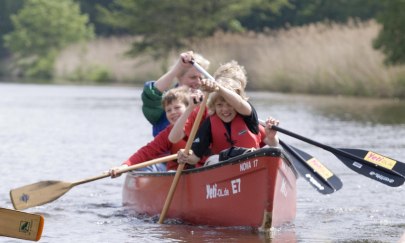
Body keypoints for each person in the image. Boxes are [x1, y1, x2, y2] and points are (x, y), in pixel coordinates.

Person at [176, 77, 280, 167]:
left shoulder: (247, 115)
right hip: (224, 167)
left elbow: (273, 143)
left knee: (271, 151)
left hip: (251, 162)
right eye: (220, 105)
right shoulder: (210, 123)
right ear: (214, 106)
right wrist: (185, 156)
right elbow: (195, 158)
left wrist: (271, 137)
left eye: (229, 104)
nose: (225, 109)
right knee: (211, 160)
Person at [108, 86, 201, 177]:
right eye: (168, 110)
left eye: (177, 107)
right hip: (175, 174)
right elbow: (148, 151)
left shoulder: (200, 122)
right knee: (141, 168)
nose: (172, 112)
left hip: (199, 169)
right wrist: (125, 166)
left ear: (189, 107)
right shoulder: (169, 132)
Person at [141, 51, 210, 137]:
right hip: (167, 149)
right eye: (193, 77)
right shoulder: (166, 101)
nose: (198, 82)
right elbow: (152, 94)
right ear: (178, 76)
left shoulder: (206, 103)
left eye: (201, 78)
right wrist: (179, 67)